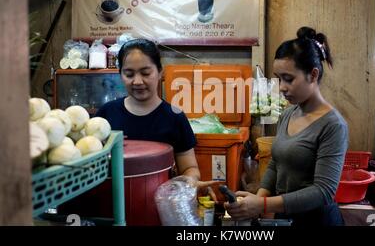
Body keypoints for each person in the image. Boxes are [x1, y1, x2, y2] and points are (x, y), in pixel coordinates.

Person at [224, 26, 349, 226]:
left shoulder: (333, 126)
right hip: (284, 218)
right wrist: (258, 201)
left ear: (313, 75)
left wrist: (263, 205)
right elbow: (276, 163)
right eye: (279, 78)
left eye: (289, 79)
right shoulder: (288, 114)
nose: (281, 87)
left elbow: (323, 191)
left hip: (317, 222)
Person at [96, 38, 217, 199]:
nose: (137, 81)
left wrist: (190, 181)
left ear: (160, 72)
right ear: (120, 74)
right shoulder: (106, 114)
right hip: (112, 203)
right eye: (129, 74)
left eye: (146, 73)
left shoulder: (174, 117)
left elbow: (190, 168)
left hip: (159, 205)